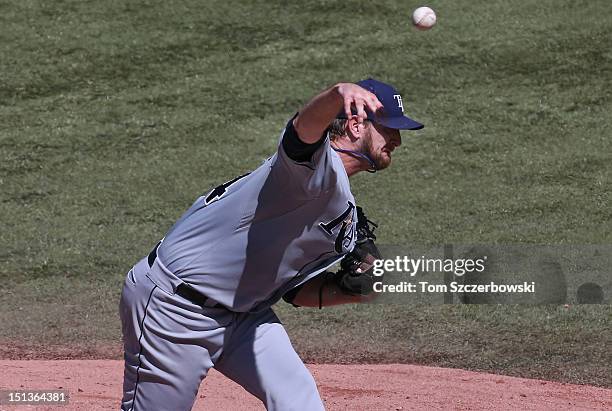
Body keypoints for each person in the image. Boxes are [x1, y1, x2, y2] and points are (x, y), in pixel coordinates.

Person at [119, 78, 424, 411]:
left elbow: (293, 291)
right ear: (354, 125)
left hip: (245, 315)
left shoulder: (343, 208)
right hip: (176, 308)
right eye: (388, 128)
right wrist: (337, 94)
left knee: (299, 400)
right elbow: (300, 134)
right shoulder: (311, 171)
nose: (396, 140)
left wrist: (351, 290)